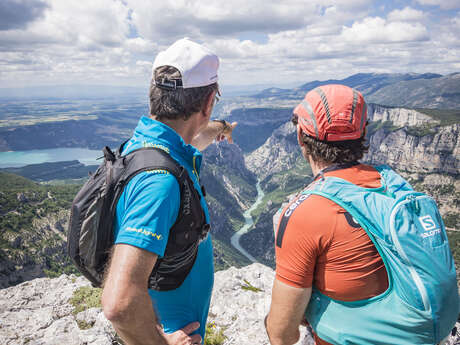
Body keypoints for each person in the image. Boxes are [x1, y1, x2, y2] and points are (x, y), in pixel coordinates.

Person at [101, 38, 236, 345]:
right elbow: (118, 304)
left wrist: (223, 128)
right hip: (167, 332)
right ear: (207, 103)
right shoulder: (159, 181)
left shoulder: (151, 146)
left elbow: (195, 139)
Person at [265, 84, 390, 345]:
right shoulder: (395, 186)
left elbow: (281, 334)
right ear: (364, 132)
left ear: (301, 136)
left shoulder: (305, 214)